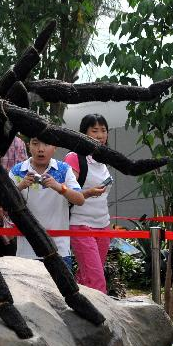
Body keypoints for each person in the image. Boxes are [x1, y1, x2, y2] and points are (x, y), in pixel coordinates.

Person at [9, 137, 84, 269]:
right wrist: (20, 186)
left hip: (59, 248)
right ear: (29, 146)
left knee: (62, 289)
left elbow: (80, 199)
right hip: (27, 250)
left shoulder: (64, 169)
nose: (41, 149)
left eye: (46, 143)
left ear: (55, 147)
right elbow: (2, 203)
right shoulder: (17, 171)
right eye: (35, 144)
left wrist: (59, 187)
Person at [64, 114, 112, 293]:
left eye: (103, 130)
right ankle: (101, 318)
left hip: (104, 225)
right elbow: (68, 193)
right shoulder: (74, 158)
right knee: (97, 281)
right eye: (94, 131)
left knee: (88, 276)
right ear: (83, 134)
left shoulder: (104, 159)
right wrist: (89, 193)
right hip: (81, 225)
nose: (100, 135)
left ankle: (77, 306)